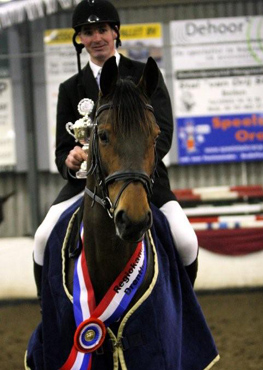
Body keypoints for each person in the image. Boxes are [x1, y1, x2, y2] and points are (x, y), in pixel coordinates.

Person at [33, 0, 198, 301]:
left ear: (115, 33)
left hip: (143, 178)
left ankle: (184, 311)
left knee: (186, 240)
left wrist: (134, 165)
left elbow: (164, 130)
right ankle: (49, 317)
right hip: (86, 185)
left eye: (102, 30)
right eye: (88, 32)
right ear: (80, 40)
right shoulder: (71, 88)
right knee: (42, 239)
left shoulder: (143, 73)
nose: (96, 38)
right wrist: (70, 161)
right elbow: (61, 149)